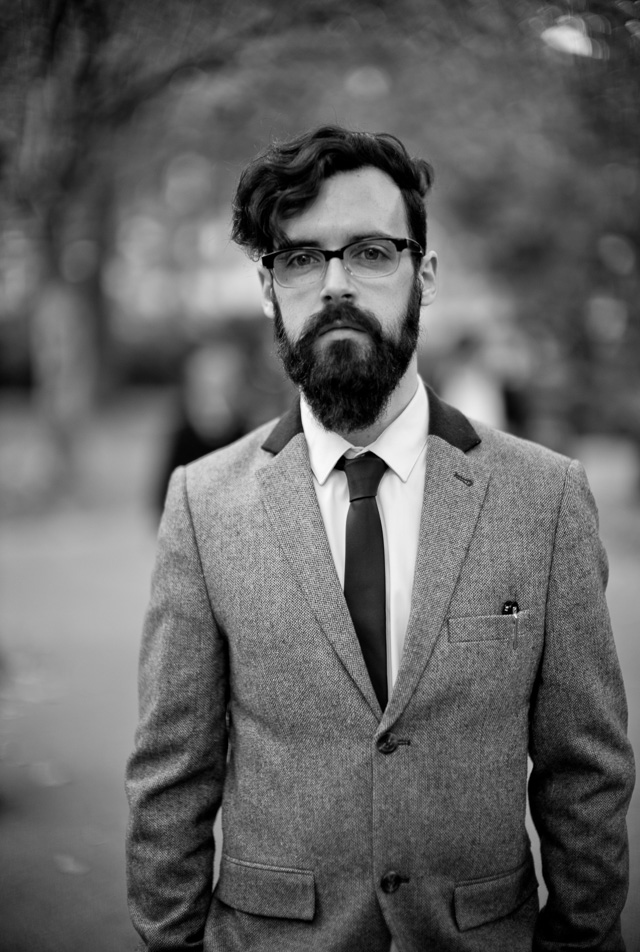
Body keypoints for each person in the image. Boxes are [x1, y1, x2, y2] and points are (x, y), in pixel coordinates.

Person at [126, 126, 635, 952]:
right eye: (300, 258)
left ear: (423, 274)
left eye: (369, 251)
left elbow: (588, 773)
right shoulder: (202, 503)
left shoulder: (545, 498)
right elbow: (169, 779)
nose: (335, 286)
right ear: (268, 286)